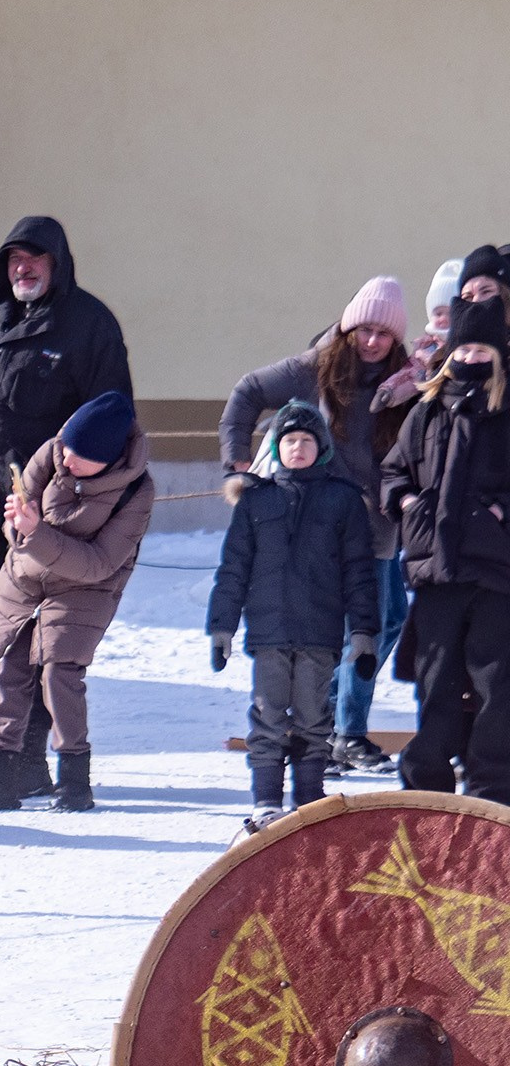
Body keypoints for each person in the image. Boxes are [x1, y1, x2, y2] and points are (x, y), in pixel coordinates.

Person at [0, 216, 134, 794]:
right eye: (14, 257)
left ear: (57, 263)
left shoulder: (88, 325)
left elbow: (112, 419)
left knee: (40, 636)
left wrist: (86, 500)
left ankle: (27, 757)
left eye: (35, 258)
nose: (23, 267)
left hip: (50, 514)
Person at [216, 276, 413, 771]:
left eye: (383, 334)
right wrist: (236, 462)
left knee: (386, 620)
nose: (372, 341)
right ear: (348, 327)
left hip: (377, 521)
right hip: (320, 517)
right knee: (344, 627)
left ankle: (325, 724)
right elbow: (247, 392)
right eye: (364, 329)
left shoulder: (405, 378)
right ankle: (332, 730)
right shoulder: (315, 368)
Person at [0, 390, 151, 814]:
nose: (68, 461)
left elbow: (100, 563)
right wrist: (17, 526)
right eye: (67, 448)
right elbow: (19, 525)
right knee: (9, 669)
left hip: (86, 589)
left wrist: (35, 532)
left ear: (110, 458)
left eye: (81, 457)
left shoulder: (136, 492)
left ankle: (74, 780)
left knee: (60, 676)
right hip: (26, 578)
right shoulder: (54, 452)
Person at [208, 400, 379, 826]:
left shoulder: (343, 500)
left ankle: (310, 802)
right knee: (267, 716)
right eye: (289, 440)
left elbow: (359, 570)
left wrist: (364, 631)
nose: (297, 447)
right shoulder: (256, 500)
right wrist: (221, 626)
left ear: (320, 447)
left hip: (319, 633)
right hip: (268, 633)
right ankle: (266, 799)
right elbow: (233, 568)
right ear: (276, 447)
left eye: (306, 440)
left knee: (313, 719)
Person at [382, 299, 510, 804]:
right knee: (435, 688)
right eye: (465, 347)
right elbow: (393, 471)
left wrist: (499, 515)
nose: (472, 357)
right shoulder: (426, 412)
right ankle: (426, 793)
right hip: (435, 574)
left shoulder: (505, 412)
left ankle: (493, 796)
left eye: (482, 348)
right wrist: (407, 502)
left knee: (496, 689)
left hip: (496, 575)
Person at [413, 260, 464, 375]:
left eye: (450, 313)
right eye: (438, 313)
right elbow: (408, 372)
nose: (443, 319)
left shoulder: (466, 346)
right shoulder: (424, 345)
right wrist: (389, 388)